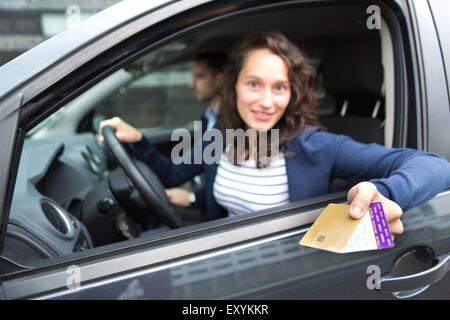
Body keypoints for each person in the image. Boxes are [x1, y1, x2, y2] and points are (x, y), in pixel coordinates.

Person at [99, 31, 450, 236]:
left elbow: (435, 165)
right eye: (254, 84)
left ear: (291, 93)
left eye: (279, 88)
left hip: (281, 270)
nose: (267, 101)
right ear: (233, 86)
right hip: (218, 251)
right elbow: (171, 174)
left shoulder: (317, 144)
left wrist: (386, 192)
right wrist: (139, 141)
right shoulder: (219, 136)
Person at [166, 51, 228, 210]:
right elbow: (190, 164)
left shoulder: (232, 124)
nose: (192, 85)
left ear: (220, 78)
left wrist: (194, 198)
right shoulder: (207, 118)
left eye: (199, 77)